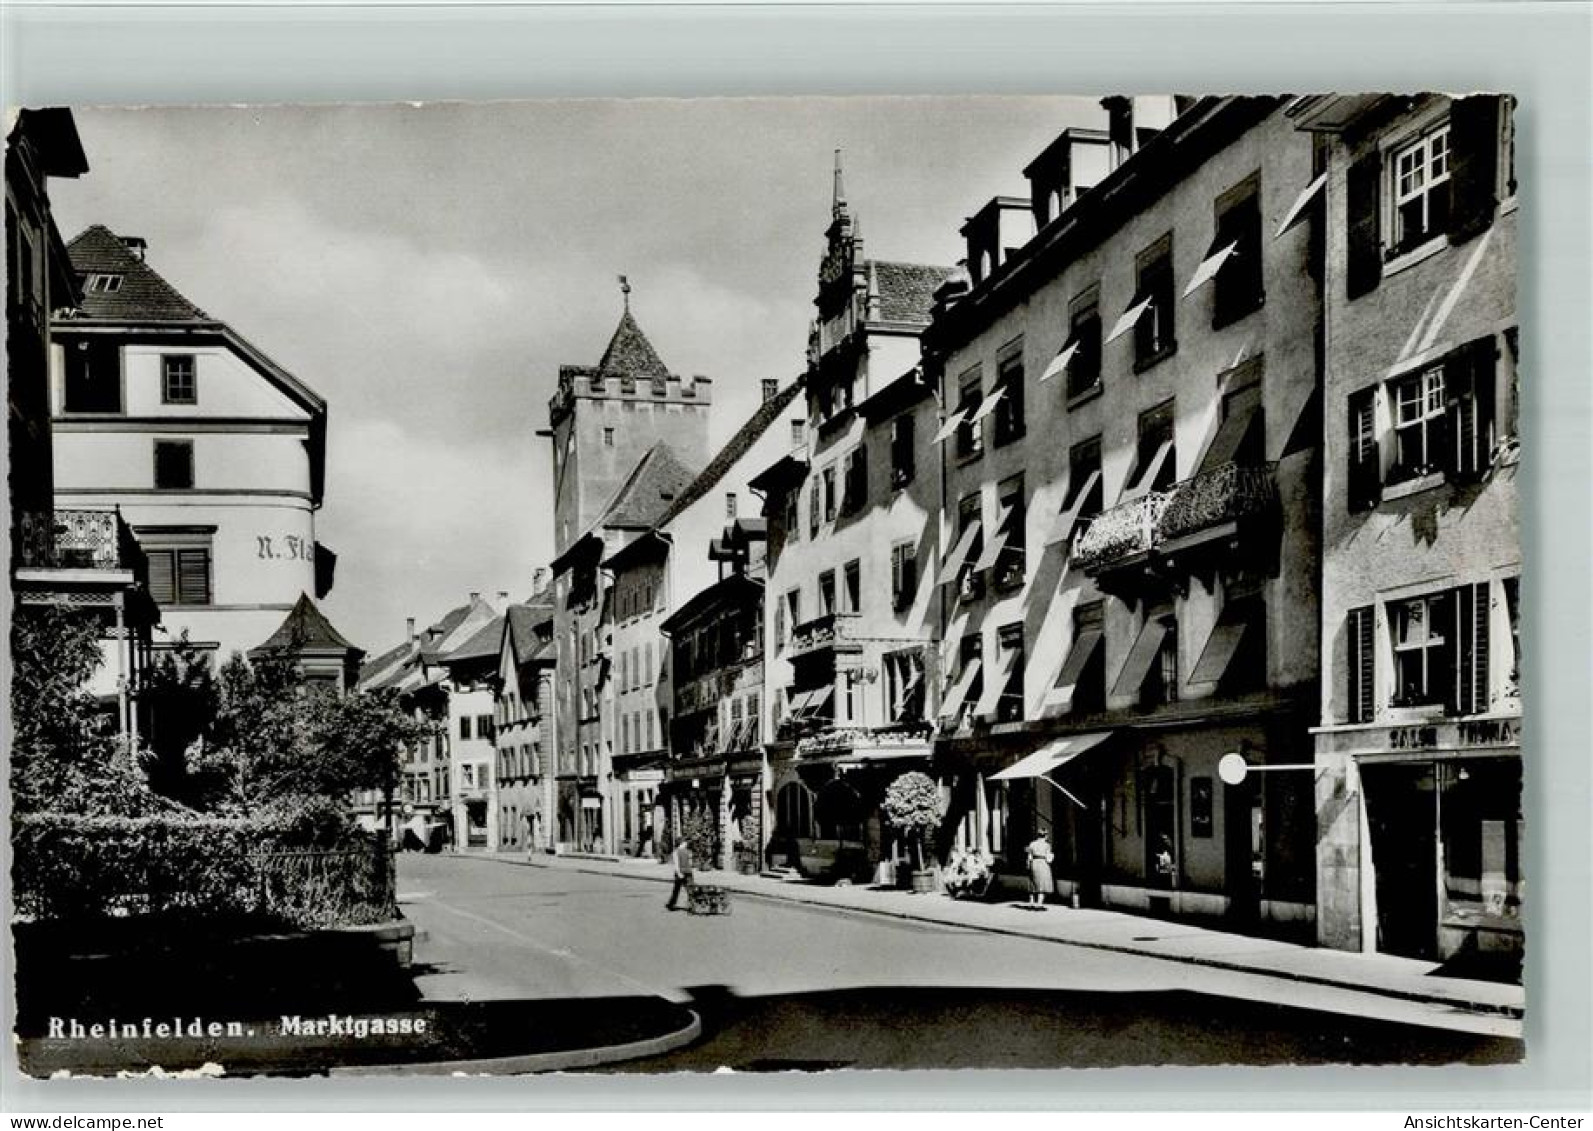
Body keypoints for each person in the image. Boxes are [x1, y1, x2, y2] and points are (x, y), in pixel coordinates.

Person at [1025, 831, 1054, 909]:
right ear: (1045, 836)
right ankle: (1039, 903)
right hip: (1043, 863)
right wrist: (1052, 856)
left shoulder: (1032, 844)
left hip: (1034, 863)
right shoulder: (1047, 845)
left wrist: (1028, 865)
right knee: (1042, 883)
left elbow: (1029, 856)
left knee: (1033, 883)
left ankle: (1031, 902)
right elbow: (1048, 859)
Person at [666, 839, 695, 911]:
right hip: (687, 872)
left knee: (677, 890)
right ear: (681, 843)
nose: (686, 844)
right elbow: (690, 863)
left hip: (682, 872)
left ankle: (671, 904)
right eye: (685, 842)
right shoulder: (688, 852)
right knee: (690, 889)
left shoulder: (676, 852)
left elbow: (676, 863)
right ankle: (692, 904)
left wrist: (679, 873)